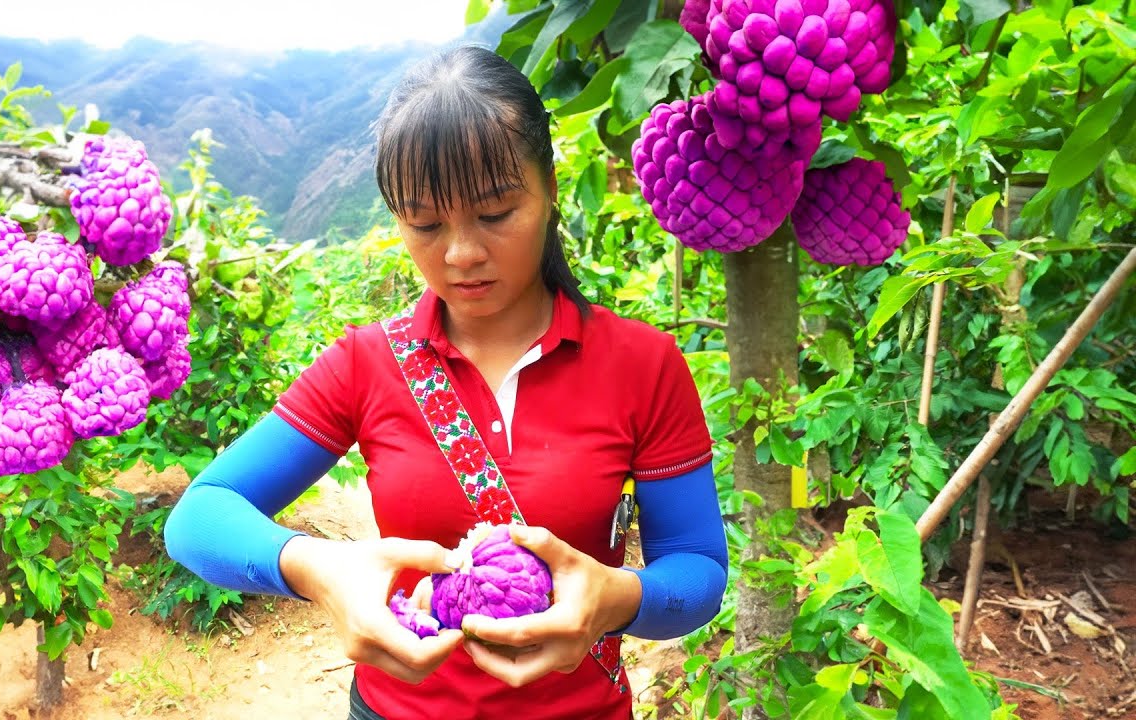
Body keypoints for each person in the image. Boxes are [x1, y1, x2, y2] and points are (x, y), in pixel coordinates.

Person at [164, 45, 729, 720]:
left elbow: (696, 568)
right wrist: (318, 570)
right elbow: (200, 516)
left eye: (495, 213)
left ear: (549, 187)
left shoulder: (642, 365)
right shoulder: (364, 364)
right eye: (425, 224)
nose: (461, 253)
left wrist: (617, 598)